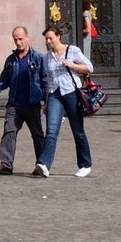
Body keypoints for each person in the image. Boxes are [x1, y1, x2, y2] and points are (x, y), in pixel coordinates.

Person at [0, 26, 46, 174]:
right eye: (15, 39)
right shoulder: (11, 60)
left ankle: (42, 164)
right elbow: (3, 81)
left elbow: (44, 81)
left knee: (38, 135)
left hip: (32, 104)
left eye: (21, 38)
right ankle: (6, 164)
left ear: (27, 37)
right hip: (14, 104)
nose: (18, 42)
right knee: (9, 132)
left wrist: (47, 102)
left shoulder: (38, 58)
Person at [35, 25, 93, 177]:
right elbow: (48, 81)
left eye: (51, 38)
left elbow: (89, 68)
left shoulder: (72, 50)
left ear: (58, 36)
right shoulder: (46, 57)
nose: (48, 41)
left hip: (71, 92)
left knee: (77, 130)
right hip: (54, 95)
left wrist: (72, 65)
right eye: (46, 39)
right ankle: (44, 164)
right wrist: (46, 103)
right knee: (51, 131)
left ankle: (85, 164)